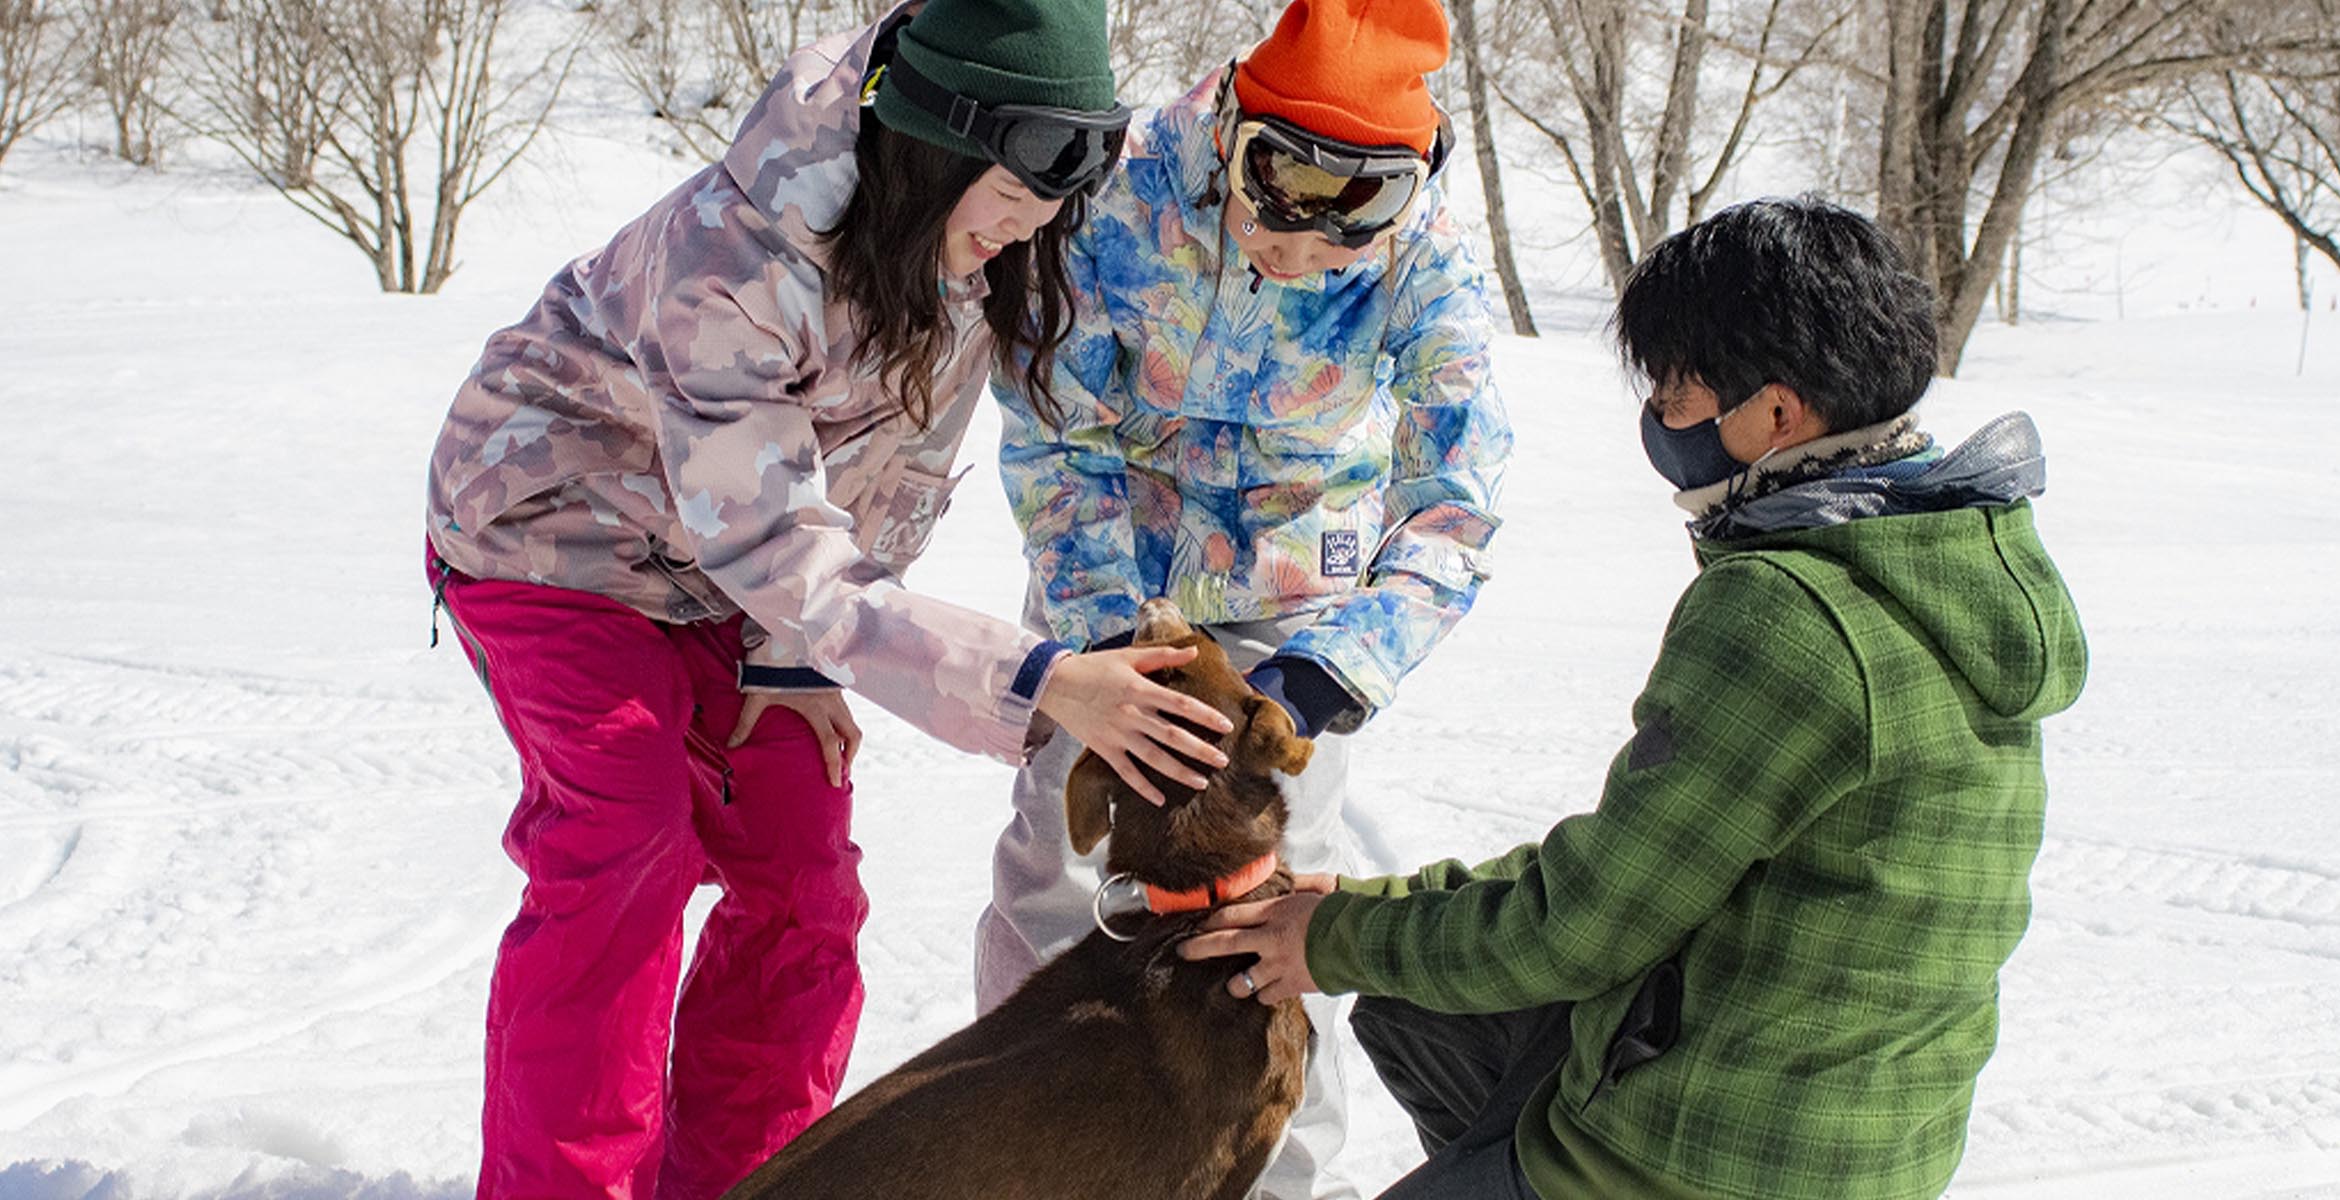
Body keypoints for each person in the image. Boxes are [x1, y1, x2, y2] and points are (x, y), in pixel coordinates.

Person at [419, 3, 1247, 1197]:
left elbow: (888, 475)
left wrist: (797, 666)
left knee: (804, 877)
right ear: (937, 139)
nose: (1040, 221)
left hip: (736, 582)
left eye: (1063, 185)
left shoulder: (974, 240)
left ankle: (753, 1184)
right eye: (1018, 186)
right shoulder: (733, 259)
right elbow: (775, 535)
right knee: (626, 842)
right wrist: (1043, 680)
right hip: (551, 538)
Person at [1179, 196, 2090, 1200]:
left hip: (1713, 1163)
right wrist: (1368, 914)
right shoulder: (1958, 569)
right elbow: (1641, 869)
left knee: (1410, 976)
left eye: (1680, 396)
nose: (1660, 420)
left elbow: (1580, 925)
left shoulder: (1786, 613)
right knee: (1418, 1003)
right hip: (1868, 1145)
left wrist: (1331, 941)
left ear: (1777, 415)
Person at [974, 0, 1512, 1196]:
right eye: (1277, 218)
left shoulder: (1429, 260)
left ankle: (1266, 1178)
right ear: (1234, 130)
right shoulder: (1125, 191)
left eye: (1338, 245)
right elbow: (1052, 430)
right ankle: (1025, 1153)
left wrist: (1331, 671)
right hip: (1114, 573)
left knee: (1264, 919)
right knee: (1067, 873)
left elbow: (1454, 503)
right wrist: (1107, 637)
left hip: (1291, 599)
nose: (1297, 258)